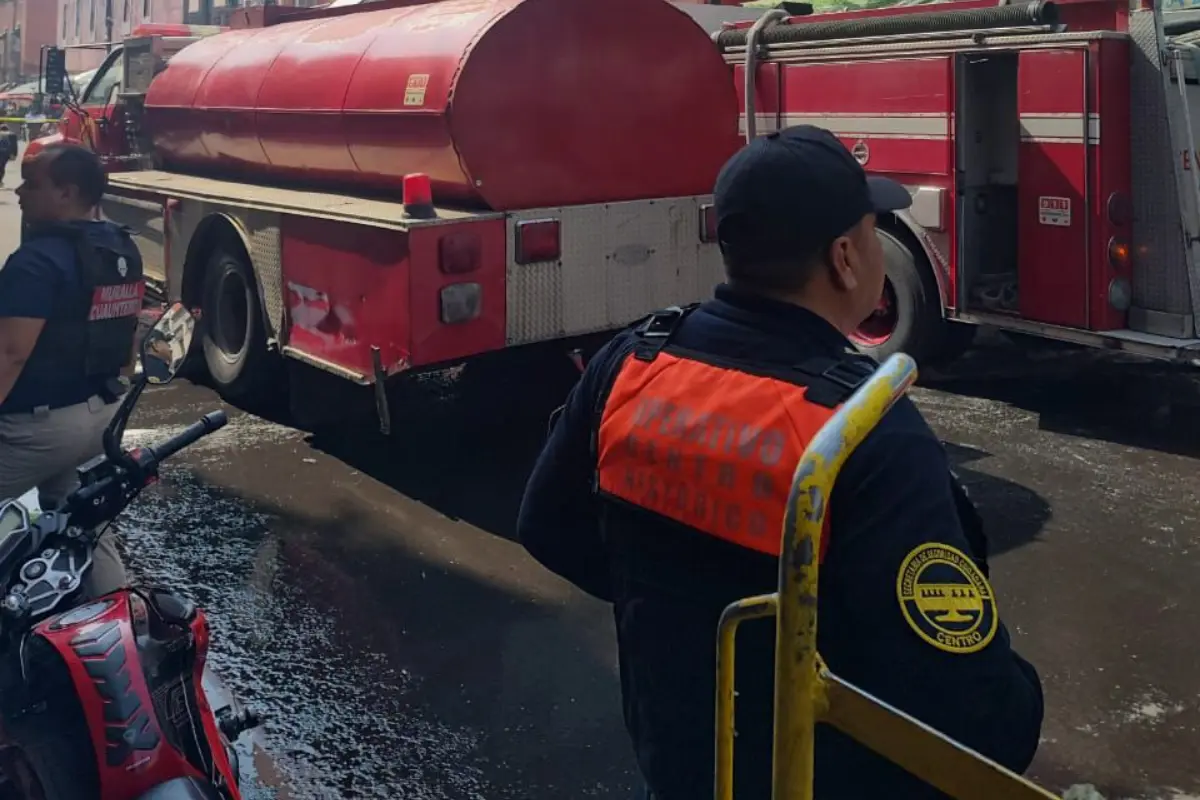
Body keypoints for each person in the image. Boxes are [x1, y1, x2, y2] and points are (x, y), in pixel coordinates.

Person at [516, 126, 1044, 800]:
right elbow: (978, 717)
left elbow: (547, 527)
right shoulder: (858, 432)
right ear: (846, 257)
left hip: (677, 767)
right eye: (873, 226)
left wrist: (676, 617)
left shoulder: (633, 363)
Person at [0, 142, 144, 597]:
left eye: (33, 183)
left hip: (37, 427)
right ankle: (111, 622)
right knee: (84, 523)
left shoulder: (37, 261)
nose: (19, 192)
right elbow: (125, 337)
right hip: (100, 415)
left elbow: (10, 355)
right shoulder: (120, 248)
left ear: (67, 193)